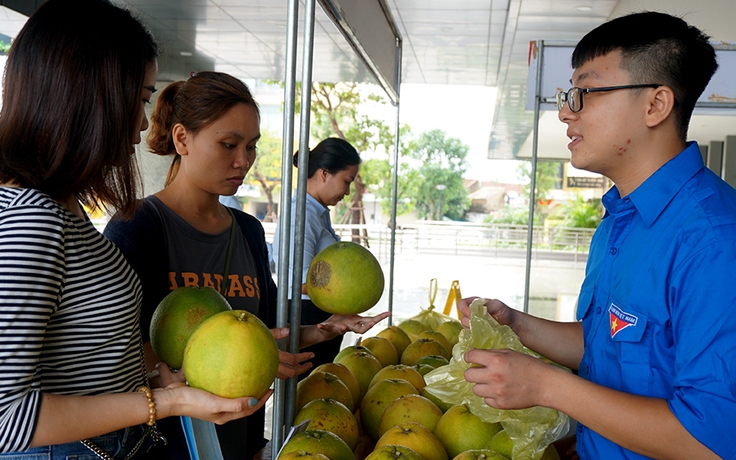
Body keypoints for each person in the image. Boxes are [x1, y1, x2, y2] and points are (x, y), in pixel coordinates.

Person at [459, 11, 735, 460]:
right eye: (568, 95)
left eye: (584, 93)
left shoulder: (715, 241)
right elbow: (613, 340)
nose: (566, 111)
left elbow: (710, 441)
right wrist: (517, 323)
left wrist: (547, 385)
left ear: (655, 105)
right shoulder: (619, 218)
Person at [0, 1, 268, 459]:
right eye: (141, 98)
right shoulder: (33, 220)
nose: (145, 122)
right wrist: (167, 401)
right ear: (85, 94)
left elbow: (84, 366)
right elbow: (8, 417)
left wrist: (154, 378)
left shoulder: (62, 210)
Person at [103, 71, 389, 460]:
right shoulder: (139, 227)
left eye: (251, 146)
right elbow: (114, 355)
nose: (243, 161)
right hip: (166, 444)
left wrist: (324, 329)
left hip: (240, 439)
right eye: (228, 144)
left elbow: (264, 336)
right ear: (182, 138)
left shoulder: (249, 230)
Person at [272, 138, 362, 369]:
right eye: (346, 181)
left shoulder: (318, 212)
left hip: (319, 315)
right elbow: (296, 280)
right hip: (306, 317)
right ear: (324, 173)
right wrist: (347, 293)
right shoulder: (301, 214)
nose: (347, 191)